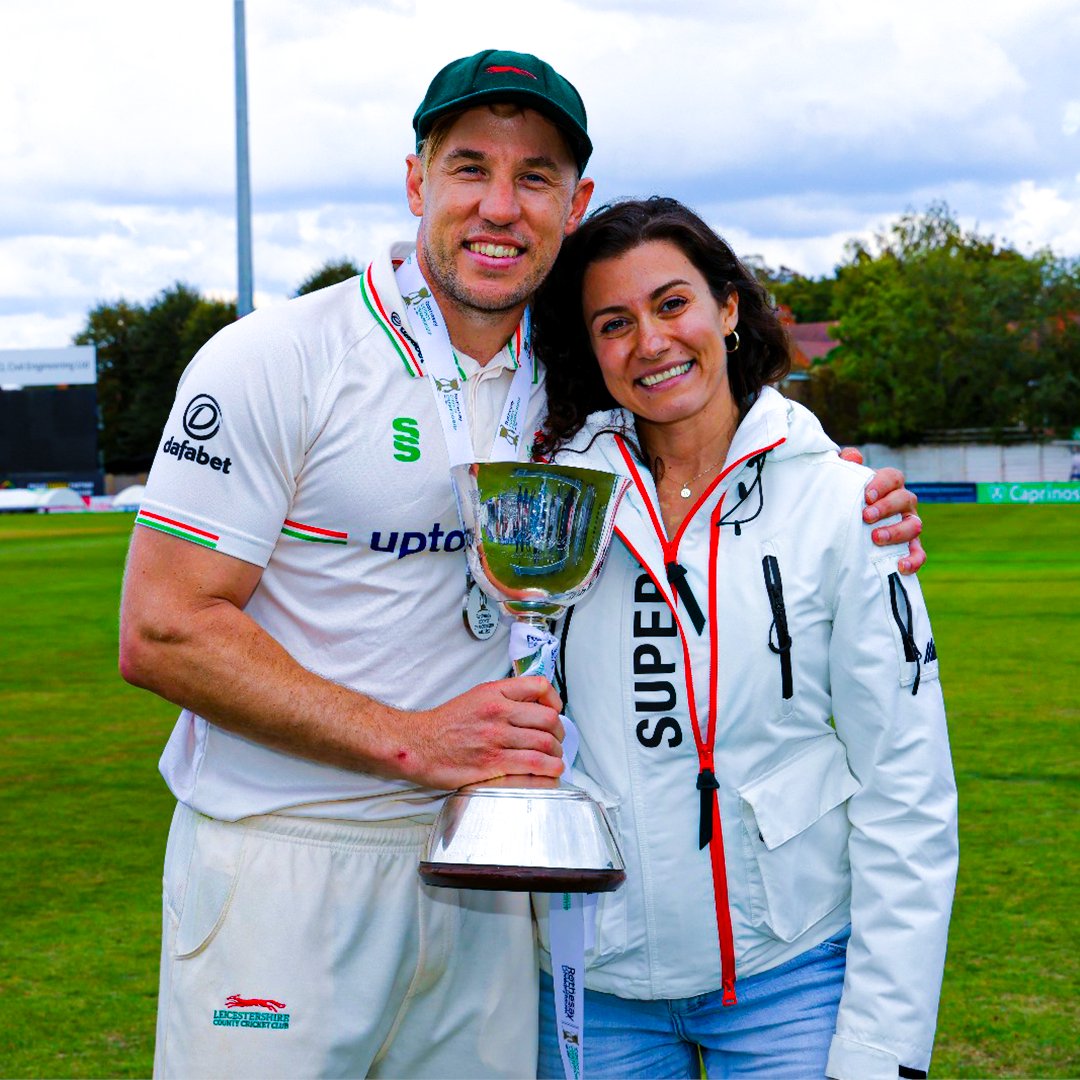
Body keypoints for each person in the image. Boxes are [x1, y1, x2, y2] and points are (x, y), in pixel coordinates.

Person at [118, 50, 923, 1080]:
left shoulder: (577, 384)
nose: (500, 206)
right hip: (290, 856)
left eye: (535, 176)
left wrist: (838, 484)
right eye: (469, 169)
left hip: (501, 887)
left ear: (574, 200)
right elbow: (163, 630)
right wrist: (413, 743)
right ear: (417, 180)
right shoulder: (277, 358)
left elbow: (711, 443)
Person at [530, 197, 958, 1080]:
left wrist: (883, 1049)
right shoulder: (548, 509)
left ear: (728, 308)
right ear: (591, 349)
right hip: (589, 983)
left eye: (672, 303)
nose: (649, 341)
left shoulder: (844, 506)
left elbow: (906, 787)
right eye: (614, 323)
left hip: (790, 981)